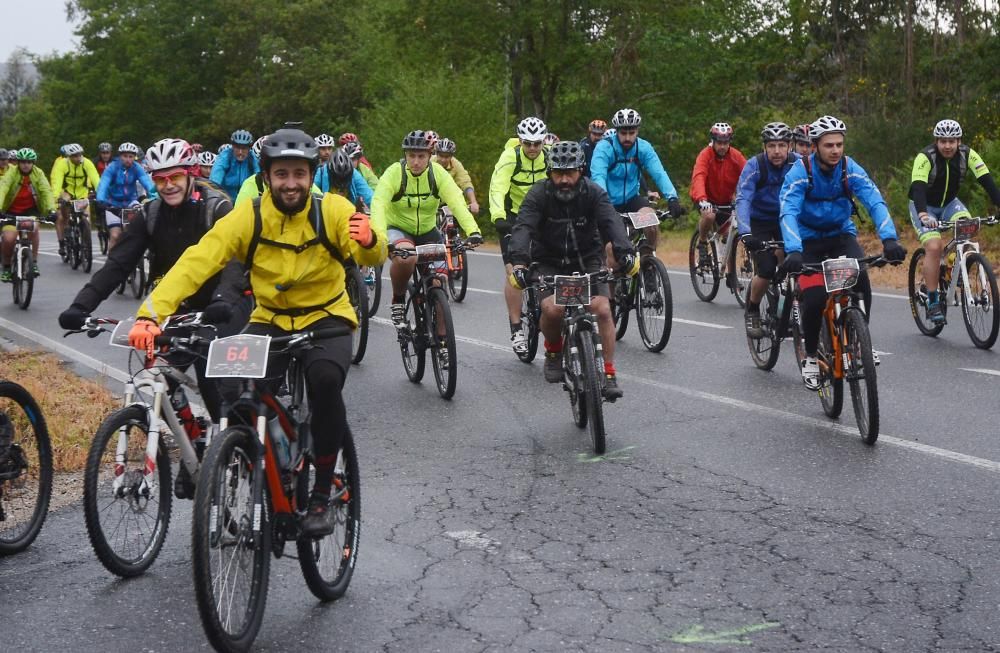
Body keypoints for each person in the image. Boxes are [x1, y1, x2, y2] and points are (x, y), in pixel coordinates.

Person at [123, 127, 384, 535]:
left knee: (325, 379)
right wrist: (150, 314)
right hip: (270, 317)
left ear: (311, 175)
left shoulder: (331, 209)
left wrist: (369, 241)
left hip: (326, 316)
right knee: (234, 391)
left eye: (299, 174)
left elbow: (367, 250)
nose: (291, 183)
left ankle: (320, 492)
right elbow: (199, 260)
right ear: (267, 177)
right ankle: (261, 461)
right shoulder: (251, 214)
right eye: (282, 174)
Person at [60, 138, 248, 496]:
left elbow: (235, 263)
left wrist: (223, 299)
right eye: (159, 179)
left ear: (191, 174)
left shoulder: (217, 208)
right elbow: (119, 262)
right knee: (159, 377)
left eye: (175, 176)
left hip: (224, 304)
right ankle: (197, 441)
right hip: (177, 307)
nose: (168, 185)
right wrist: (82, 306)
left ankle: (236, 452)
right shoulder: (151, 214)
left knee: (217, 388)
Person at [779, 115, 906, 389]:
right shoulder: (801, 171)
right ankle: (811, 356)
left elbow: (874, 200)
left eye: (839, 144)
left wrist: (889, 240)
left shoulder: (849, 168)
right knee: (813, 299)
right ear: (815, 147)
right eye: (829, 145)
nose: (835, 150)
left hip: (840, 235)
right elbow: (788, 210)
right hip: (808, 242)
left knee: (861, 281)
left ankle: (860, 340)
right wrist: (794, 250)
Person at [507, 141, 640, 400]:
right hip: (548, 261)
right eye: (558, 173)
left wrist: (625, 254)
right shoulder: (538, 195)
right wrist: (520, 263)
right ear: (550, 172)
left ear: (581, 171)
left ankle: (609, 372)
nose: (564, 179)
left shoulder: (593, 193)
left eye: (570, 172)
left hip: (587, 259)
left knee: (602, 309)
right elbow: (523, 227)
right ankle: (554, 350)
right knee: (552, 309)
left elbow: (611, 222)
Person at [371, 130, 482, 328]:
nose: (416, 161)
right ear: (405, 156)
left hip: (428, 231)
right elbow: (379, 203)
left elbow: (456, 201)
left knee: (438, 285)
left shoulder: (437, 174)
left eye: (421, 156)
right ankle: (398, 299)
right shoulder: (394, 173)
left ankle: (443, 346)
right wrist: (381, 237)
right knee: (408, 258)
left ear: (430, 156)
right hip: (398, 228)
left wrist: (473, 231)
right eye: (411, 156)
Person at [908, 119, 1000, 323]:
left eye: (952, 141)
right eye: (943, 141)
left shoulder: (968, 154)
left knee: (968, 229)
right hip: (923, 205)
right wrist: (923, 214)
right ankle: (932, 301)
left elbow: (987, 180)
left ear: (959, 141)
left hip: (950, 203)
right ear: (936, 141)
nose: (948, 145)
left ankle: (953, 265)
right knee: (934, 246)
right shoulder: (925, 157)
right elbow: (918, 188)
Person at [590, 107, 685, 261]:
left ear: (637, 131)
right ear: (616, 131)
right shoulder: (604, 148)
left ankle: (647, 265)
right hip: (607, 202)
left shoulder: (643, 147)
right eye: (623, 133)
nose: (627, 137)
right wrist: (604, 203)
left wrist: (672, 197)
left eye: (631, 133)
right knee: (612, 259)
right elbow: (598, 176)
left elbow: (659, 173)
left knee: (651, 224)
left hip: (632, 199)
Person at [489, 116, 550, 354]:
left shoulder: (551, 155)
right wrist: (498, 217)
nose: (533, 148)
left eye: (537, 143)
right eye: (528, 143)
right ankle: (516, 328)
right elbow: (497, 187)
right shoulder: (509, 157)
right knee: (515, 273)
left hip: (545, 217)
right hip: (515, 217)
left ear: (544, 141)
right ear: (520, 141)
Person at [735, 122, 799, 336]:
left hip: (786, 219)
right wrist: (745, 233)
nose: (777, 151)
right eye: (771, 145)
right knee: (766, 268)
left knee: (797, 264)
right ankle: (752, 309)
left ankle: (783, 303)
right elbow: (743, 199)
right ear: (764, 147)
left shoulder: (799, 164)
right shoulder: (755, 166)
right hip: (759, 222)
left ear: (790, 146)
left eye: (782, 145)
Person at [691, 122, 748, 270]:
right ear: (713, 141)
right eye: (719, 143)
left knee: (730, 234)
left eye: (725, 143)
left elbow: (749, 175)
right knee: (709, 216)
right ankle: (703, 243)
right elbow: (699, 177)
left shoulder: (735, 156)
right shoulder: (705, 155)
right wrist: (702, 199)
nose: (722, 146)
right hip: (706, 199)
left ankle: (731, 273)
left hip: (726, 200)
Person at [0, 148, 55, 281]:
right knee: (8, 239)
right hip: (11, 210)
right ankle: (7, 267)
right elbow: (3, 188)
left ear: (33, 163)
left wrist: (51, 210)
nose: (26, 164)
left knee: (34, 229)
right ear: (18, 162)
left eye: (29, 162)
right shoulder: (11, 172)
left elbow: (46, 191)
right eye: (23, 162)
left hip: (30, 210)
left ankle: (34, 262)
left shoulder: (38, 173)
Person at [96, 142, 157, 250]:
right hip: (112, 203)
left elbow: (147, 183)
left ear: (135, 157)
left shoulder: (136, 167)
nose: (128, 159)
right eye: (125, 156)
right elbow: (103, 183)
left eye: (131, 156)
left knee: (133, 231)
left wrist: (156, 197)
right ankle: (112, 264)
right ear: (120, 156)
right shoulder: (112, 167)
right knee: (115, 236)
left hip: (130, 202)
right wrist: (100, 200)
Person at [51, 143, 101, 257]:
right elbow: (57, 183)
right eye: (74, 156)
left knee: (86, 218)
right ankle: (66, 234)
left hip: (82, 194)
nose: (78, 158)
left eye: (79, 155)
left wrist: (101, 194)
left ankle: (86, 242)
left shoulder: (87, 163)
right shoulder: (62, 164)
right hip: (67, 192)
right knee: (65, 214)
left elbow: (96, 180)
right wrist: (56, 198)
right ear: (69, 156)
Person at [432, 138, 479, 214]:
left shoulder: (456, 164)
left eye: (447, 157)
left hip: (449, 203)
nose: (443, 160)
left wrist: (473, 202)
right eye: (441, 156)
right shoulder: (429, 162)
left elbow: (465, 183)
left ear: (451, 156)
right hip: (430, 201)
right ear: (436, 154)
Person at [210, 128, 259, 200]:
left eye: (244, 148)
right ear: (232, 147)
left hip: (246, 199)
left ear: (249, 149)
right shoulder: (225, 156)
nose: (240, 152)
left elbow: (260, 179)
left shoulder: (252, 159)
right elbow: (215, 179)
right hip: (226, 199)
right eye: (237, 148)